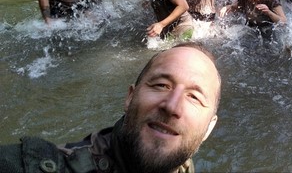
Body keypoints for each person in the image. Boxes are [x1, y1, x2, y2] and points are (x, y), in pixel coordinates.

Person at [0, 42, 221, 173]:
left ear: (209, 129)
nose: (172, 106)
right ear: (130, 97)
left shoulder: (180, 161)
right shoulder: (33, 165)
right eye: (162, 85)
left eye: (194, 97)